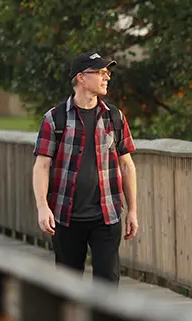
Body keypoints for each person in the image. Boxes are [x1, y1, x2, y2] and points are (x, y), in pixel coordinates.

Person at [32, 51, 139, 286]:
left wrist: (132, 210)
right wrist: (42, 207)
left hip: (107, 214)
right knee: (68, 286)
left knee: (107, 286)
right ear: (81, 78)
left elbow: (127, 165)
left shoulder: (115, 117)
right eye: (100, 72)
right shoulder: (55, 118)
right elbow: (42, 165)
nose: (107, 77)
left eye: (107, 72)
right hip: (66, 215)